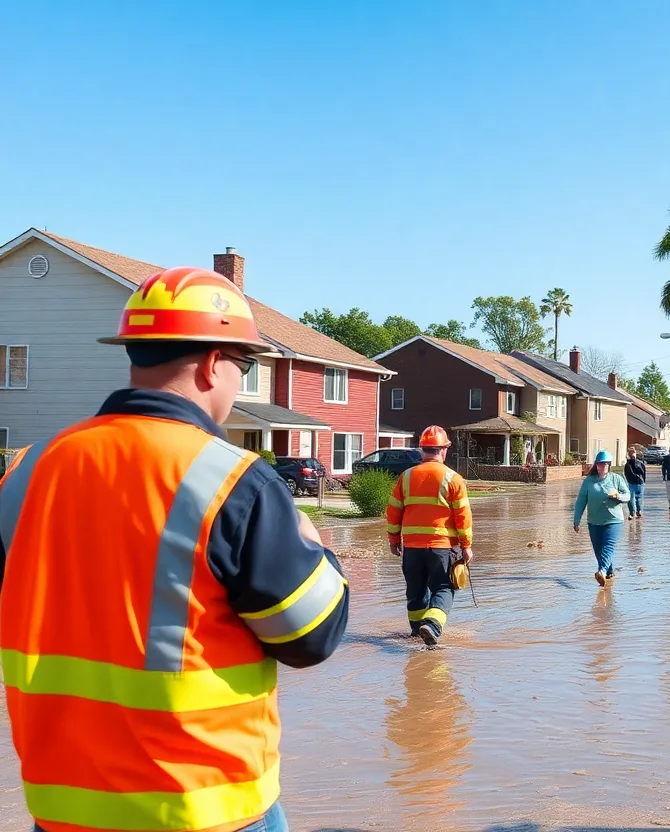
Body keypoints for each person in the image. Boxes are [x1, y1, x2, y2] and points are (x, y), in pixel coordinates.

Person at [0, 266, 350, 832]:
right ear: (215, 363)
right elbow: (311, 636)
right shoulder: (233, 481)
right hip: (206, 810)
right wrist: (319, 553)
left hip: (63, 812)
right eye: (246, 366)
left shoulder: (25, 473)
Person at [386, 425, 472, 647]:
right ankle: (432, 626)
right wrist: (466, 545)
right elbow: (463, 515)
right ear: (443, 450)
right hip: (441, 548)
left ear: (422, 450)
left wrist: (394, 540)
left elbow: (394, 511)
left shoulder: (406, 477)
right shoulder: (453, 478)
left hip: (412, 548)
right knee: (444, 588)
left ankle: (415, 635)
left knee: (415, 592)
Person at [573, 450, 631, 586]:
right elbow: (581, 501)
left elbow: (627, 495)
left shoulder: (616, 479)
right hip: (594, 522)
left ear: (609, 465)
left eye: (606, 464)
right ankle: (609, 572)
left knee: (608, 546)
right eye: (600, 464)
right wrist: (576, 519)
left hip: (614, 521)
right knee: (599, 551)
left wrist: (619, 496)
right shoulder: (588, 481)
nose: (603, 467)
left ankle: (602, 571)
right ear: (596, 465)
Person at [624, 447, 648, 519]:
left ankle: (637, 511)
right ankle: (633, 512)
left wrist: (643, 481)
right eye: (631, 453)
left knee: (637, 498)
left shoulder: (638, 463)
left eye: (633, 453)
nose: (632, 455)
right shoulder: (628, 464)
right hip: (632, 482)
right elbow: (626, 473)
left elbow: (643, 473)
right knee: (632, 498)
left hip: (638, 482)